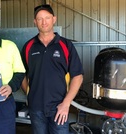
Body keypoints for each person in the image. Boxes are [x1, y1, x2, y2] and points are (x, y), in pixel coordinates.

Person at [21, 4, 84, 134]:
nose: (44, 22)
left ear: (54, 19)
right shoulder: (28, 46)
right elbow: (22, 74)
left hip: (59, 107)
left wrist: (66, 104)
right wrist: (30, 95)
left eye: (47, 18)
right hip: (36, 109)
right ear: (35, 22)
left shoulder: (66, 45)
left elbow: (77, 76)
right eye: (39, 19)